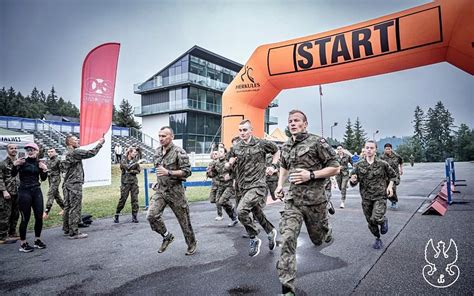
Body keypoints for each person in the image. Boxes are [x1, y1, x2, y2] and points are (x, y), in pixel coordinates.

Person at [275, 110, 339, 295]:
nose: (293, 124)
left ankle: (325, 228)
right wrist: (280, 185)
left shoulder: (317, 142)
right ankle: (287, 287)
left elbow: (336, 167)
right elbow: (284, 167)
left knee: (318, 238)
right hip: (293, 201)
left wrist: (310, 175)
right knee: (287, 239)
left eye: (296, 121)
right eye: (290, 121)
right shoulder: (286, 146)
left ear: (305, 124)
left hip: (315, 202)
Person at [227, 119, 280, 257]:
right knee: (257, 213)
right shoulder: (236, 147)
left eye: (245, 130)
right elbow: (228, 163)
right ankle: (270, 231)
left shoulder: (261, 143)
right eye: (240, 130)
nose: (242, 133)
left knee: (241, 211)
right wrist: (230, 163)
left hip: (258, 185)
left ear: (251, 130)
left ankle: (254, 238)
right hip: (242, 187)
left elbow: (276, 151)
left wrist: (273, 166)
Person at [147, 126, 197, 255]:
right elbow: (159, 171)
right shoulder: (157, 152)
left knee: (184, 222)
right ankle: (167, 236)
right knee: (152, 216)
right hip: (161, 191)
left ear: (172, 137)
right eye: (159, 136)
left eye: (164, 136)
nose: (161, 138)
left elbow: (187, 172)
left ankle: (191, 244)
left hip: (176, 192)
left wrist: (169, 172)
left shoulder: (179, 152)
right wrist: (157, 182)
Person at [349, 140, 397, 250]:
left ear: (375, 150)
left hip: (380, 196)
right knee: (370, 222)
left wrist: (390, 187)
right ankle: (377, 238)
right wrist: (353, 180)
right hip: (366, 198)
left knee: (376, 217)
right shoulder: (358, 165)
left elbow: (393, 176)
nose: (369, 150)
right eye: (367, 148)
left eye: (371, 148)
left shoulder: (382, 164)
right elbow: (353, 182)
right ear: (364, 150)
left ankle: (383, 220)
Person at [61, 135, 104, 239]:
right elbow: (91, 153)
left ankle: (67, 229)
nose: (78, 141)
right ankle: (74, 232)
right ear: (70, 142)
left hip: (67, 183)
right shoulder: (75, 152)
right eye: (75, 140)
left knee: (68, 207)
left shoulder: (66, 152)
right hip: (74, 184)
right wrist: (100, 144)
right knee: (75, 207)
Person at [13, 143, 48, 252]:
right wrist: (15, 165)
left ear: (37, 151)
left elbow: (43, 178)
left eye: (32, 149)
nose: (30, 151)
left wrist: (45, 170)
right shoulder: (22, 161)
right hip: (24, 192)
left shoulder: (39, 163)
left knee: (39, 217)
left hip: (36, 191)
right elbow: (13, 174)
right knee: (25, 218)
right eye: (28, 149)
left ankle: (37, 240)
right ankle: (23, 243)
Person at [207, 146, 238, 227]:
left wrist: (230, 176)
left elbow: (236, 173)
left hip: (229, 185)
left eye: (221, 152)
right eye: (218, 151)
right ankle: (233, 218)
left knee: (222, 201)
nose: (219, 153)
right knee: (218, 202)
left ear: (225, 153)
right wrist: (209, 173)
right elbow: (213, 174)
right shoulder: (216, 163)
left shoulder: (228, 162)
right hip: (220, 185)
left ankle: (231, 206)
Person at [114, 147, 141, 223]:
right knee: (123, 199)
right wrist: (134, 165)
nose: (135, 154)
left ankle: (134, 216)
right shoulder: (123, 159)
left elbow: (138, 171)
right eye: (134, 152)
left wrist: (132, 171)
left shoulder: (135, 160)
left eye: (136, 153)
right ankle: (117, 214)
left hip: (134, 183)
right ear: (130, 152)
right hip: (125, 183)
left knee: (135, 200)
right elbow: (125, 166)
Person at [0, 143, 20, 244]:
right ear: (7, 150)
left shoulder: (18, 162)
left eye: (15, 148)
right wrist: (4, 191)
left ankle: (12, 232)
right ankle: (3, 236)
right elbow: (0, 178)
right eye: (11, 148)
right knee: (5, 214)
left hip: (17, 192)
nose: (14, 150)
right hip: (7, 192)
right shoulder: (3, 163)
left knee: (15, 214)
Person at [43, 148, 65, 219]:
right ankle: (65, 208)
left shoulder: (58, 160)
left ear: (55, 152)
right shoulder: (48, 161)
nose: (50, 153)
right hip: (50, 179)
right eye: (49, 152)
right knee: (56, 195)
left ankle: (46, 212)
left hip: (56, 178)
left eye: (52, 152)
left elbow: (62, 170)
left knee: (51, 193)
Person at [380, 143, 403, 209]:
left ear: (391, 149)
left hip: (394, 176)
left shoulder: (396, 156)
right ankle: (388, 200)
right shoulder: (382, 157)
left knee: (392, 188)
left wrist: (401, 169)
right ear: (384, 149)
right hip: (385, 176)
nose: (387, 150)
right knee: (385, 189)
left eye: (389, 149)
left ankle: (394, 201)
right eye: (386, 149)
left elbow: (401, 162)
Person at [206, 150, 222, 220]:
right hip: (214, 184)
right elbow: (211, 175)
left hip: (220, 184)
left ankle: (220, 215)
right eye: (213, 154)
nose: (214, 155)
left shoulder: (220, 163)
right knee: (212, 200)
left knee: (218, 200)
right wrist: (208, 173)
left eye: (216, 154)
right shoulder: (211, 163)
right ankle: (228, 204)